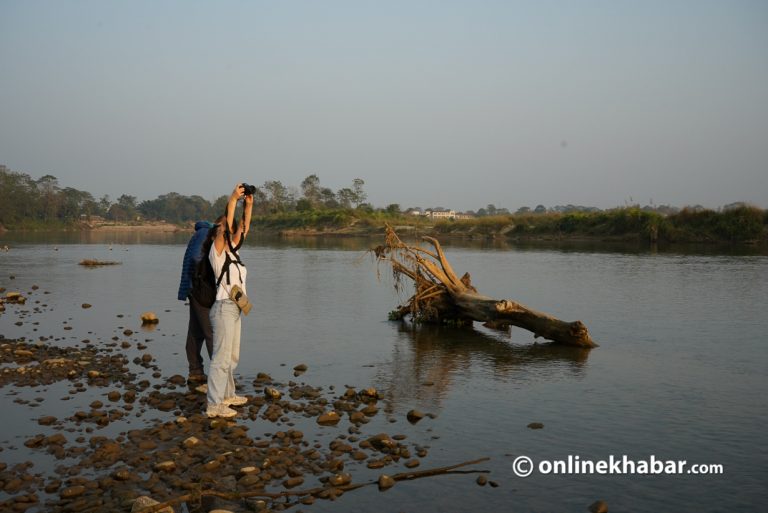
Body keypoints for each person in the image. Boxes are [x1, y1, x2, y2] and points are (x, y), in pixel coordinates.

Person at [206, 184, 254, 418]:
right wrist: (233, 199)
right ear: (219, 230)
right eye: (225, 226)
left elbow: (243, 229)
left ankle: (227, 396)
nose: (230, 228)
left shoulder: (234, 252)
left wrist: (248, 206)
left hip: (234, 309)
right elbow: (226, 228)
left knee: (232, 357)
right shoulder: (216, 252)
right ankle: (214, 404)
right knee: (221, 358)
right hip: (223, 308)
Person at [177, 220, 215, 383]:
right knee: (210, 331)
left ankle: (195, 370)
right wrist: (205, 273)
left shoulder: (198, 234)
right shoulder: (205, 234)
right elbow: (196, 257)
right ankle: (218, 374)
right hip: (200, 289)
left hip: (192, 288)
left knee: (195, 329)